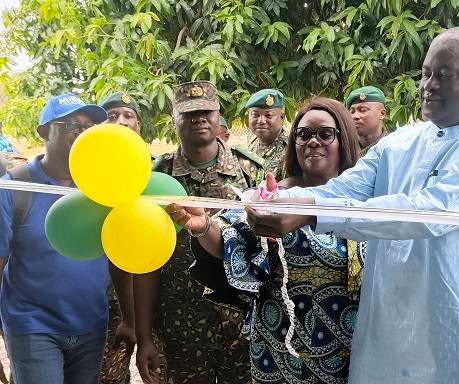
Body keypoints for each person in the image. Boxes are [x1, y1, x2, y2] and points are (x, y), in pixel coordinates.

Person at [241, 26, 459, 383]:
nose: (430, 85)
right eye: (426, 73)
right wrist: (275, 201)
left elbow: (428, 212)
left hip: (458, 330)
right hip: (388, 331)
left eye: (445, 74)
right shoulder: (400, 144)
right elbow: (342, 188)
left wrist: (311, 212)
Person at [167, 97, 364, 383]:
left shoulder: (367, 199)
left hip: (354, 354)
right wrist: (202, 226)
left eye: (325, 134)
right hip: (284, 355)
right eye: (303, 134)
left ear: (343, 139)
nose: (312, 141)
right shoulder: (272, 197)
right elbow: (229, 239)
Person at [134, 81, 264, 384]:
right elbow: (145, 262)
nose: (199, 119)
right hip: (181, 328)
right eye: (189, 114)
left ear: (219, 116)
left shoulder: (251, 172)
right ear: (174, 120)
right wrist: (145, 337)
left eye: (206, 111)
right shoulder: (156, 179)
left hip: (243, 326)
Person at [0, 93, 109, 384]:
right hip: (33, 327)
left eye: (89, 127)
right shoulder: (15, 186)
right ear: (45, 131)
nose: (83, 133)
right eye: (73, 124)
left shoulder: (103, 188)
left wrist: (133, 321)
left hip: (91, 326)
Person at [97, 92, 144, 384]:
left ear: (139, 126)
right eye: (112, 116)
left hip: (154, 298)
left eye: (128, 116)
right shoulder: (84, 172)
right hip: (103, 303)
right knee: (108, 378)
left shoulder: (155, 169)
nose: (121, 122)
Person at [246, 89, 287, 178]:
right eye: (255, 115)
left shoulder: (291, 150)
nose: (261, 121)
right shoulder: (253, 144)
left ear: (282, 118)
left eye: (268, 115)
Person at [346, 86, 387, 157]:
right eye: (352, 112)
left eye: (363, 110)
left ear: (382, 114)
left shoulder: (392, 148)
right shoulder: (343, 151)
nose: (355, 116)